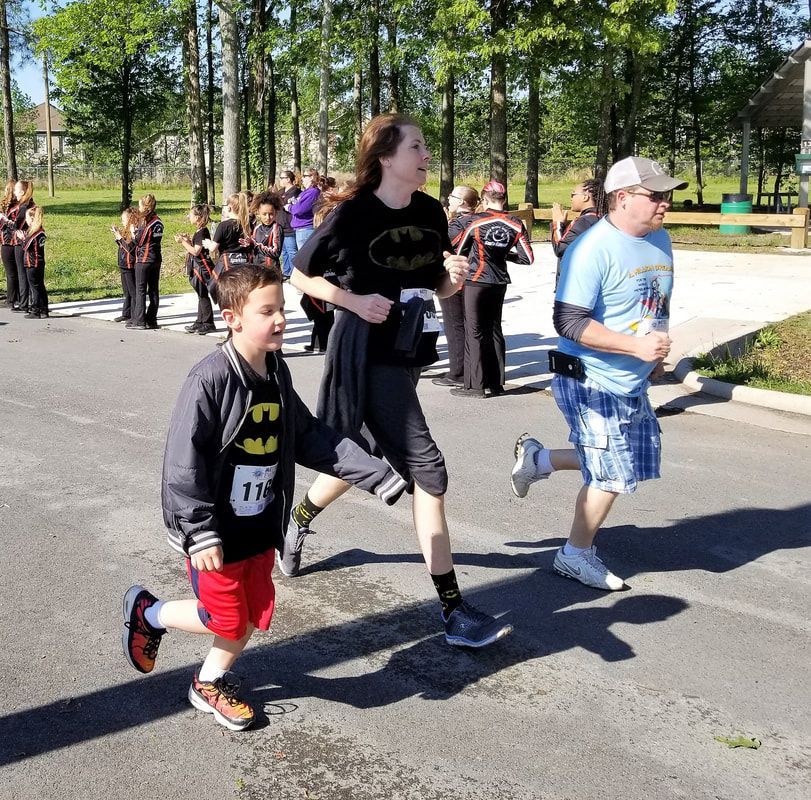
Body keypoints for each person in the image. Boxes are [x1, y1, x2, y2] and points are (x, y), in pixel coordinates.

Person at [121, 263, 407, 731]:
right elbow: (182, 462)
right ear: (233, 317)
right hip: (214, 530)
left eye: (282, 309)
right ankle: (150, 613)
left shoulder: (277, 371)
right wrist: (198, 531)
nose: (280, 319)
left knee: (251, 612)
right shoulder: (209, 379)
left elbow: (309, 434)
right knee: (226, 618)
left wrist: (374, 475)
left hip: (259, 525)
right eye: (267, 311)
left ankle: (208, 680)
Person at [287, 113, 513, 648]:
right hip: (364, 354)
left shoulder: (433, 212)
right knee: (429, 473)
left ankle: (297, 519)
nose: (426, 156)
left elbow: (432, 281)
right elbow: (299, 272)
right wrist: (351, 300)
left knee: (361, 445)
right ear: (386, 157)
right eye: (417, 146)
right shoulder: (352, 215)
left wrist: (450, 280)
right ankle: (453, 611)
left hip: (411, 348)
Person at [510, 156, 686, 590]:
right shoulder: (592, 248)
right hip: (589, 377)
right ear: (622, 197)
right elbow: (568, 321)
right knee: (612, 472)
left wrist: (654, 353)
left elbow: (654, 302)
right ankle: (574, 554)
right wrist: (635, 346)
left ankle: (539, 459)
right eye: (656, 196)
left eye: (667, 196)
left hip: (632, 374)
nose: (665, 204)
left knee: (633, 460)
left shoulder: (659, 239)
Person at [449, 180, 534, 398]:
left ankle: (475, 386)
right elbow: (528, 258)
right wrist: (505, 254)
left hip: (476, 281)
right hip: (500, 281)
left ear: (485, 200)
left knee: (474, 331)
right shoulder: (515, 223)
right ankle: (496, 384)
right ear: (504, 199)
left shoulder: (475, 221)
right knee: (495, 330)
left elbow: (459, 250)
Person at [432, 185, 479, 388]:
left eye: (452, 196)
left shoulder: (457, 224)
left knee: (454, 325)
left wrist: (445, 221)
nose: (448, 199)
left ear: (461, 202)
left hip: (455, 278)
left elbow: (443, 246)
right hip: (478, 279)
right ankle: (469, 368)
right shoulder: (479, 220)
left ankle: (457, 371)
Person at [551, 178, 607, 288]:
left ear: (585, 197)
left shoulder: (584, 221)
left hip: (574, 285)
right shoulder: (603, 218)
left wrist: (557, 223)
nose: (571, 198)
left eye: (573, 194)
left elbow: (560, 249)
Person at [176, 204, 216, 335]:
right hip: (198, 267)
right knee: (200, 294)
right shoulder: (200, 231)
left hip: (202, 268)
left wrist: (183, 242)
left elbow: (196, 251)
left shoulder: (202, 231)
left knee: (203, 295)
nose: (189, 217)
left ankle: (208, 323)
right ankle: (200, 321)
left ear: (198, 218)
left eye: (191, 215)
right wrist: (187, 240)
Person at [204, 192, 252, 302]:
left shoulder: (223, 225)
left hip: (227, 263)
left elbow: (213, 248)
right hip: (244, 262)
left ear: (229, 208)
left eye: (225, 206)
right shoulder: (246, 224)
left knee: (218, 287)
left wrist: (207, 243)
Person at [129, 193, 164, 330]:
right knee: (154, 290)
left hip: (144, 259)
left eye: (139, 206)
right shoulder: (159, 221)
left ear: (144, 206)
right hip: (156, 258)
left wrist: (133, 232)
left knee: (141, 289)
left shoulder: (147, 222)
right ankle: (152, 319)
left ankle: (140, 321)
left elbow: (139, 241)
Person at [11, 180, 35, 315]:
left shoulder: (24, 206)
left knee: (22, 272)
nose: (14, 193)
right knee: (23, 272)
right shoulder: (30, 204)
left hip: (22, 242)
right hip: (26, 241)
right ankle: (27, 301)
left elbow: (17, 224)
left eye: (16, 190)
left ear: (22, 192)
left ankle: (24, 303)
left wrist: (7, 222)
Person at [21, 205, 48, 318]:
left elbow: (25, 246)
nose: (25, 220)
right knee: (40, 285)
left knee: (34, 287)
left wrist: (22, 237)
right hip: (40, 262)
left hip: (32, 263)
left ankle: (35, 310)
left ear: (32, 218)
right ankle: (44, 309)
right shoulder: (41, 231)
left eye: (27, 218)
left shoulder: (35, 233)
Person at [111, 207, 137, 323]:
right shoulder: (126, 231)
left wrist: (120, 237)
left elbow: (130, 248)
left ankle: (134, 314)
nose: (122, 222)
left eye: (123, 219)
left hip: (130, 265)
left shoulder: (133, 232)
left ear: (130, 219)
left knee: (133, 291)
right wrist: (118, 236)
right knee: (126, 292)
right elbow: (122, 246)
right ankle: (126, 313)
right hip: (122, 264)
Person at [248, 190, 284, 269]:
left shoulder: (277, 228)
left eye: (271, 214)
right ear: (258, 212)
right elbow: (253, 248)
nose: (267, 218)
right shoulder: (257, 228)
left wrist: (256, 245)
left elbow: (276, 252)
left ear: (276, 212)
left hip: (270, 270)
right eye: (264, 214)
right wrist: (248, 243)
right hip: (256, 268)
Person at [287, 168, 320, 248]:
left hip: (306, 230)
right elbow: (299, 204)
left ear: (312, 177)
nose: (302, 178)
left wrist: (289, 207)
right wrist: (293, 201)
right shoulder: (306, 192)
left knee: (304, 259)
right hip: (301, 230)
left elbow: (299, 209)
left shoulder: (312, 192)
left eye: (305, 176)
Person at [277, 170, 301, 280]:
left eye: (282, 178)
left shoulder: (295, 191)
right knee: (284, 251)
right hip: (280, 225)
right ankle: (286, 272)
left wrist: (282, 202)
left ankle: (294, 274)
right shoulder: (280, 191)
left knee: (292, 251)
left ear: (288, 179)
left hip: (290, 226)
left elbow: (291, 204)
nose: (280, 180)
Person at [0, 179, 20, 309]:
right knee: (18, 271)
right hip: (17, 240)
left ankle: (11, 300)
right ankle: (19, 297)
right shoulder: (21, 205)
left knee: (10, 272)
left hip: (6, 241)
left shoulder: (3, 205)